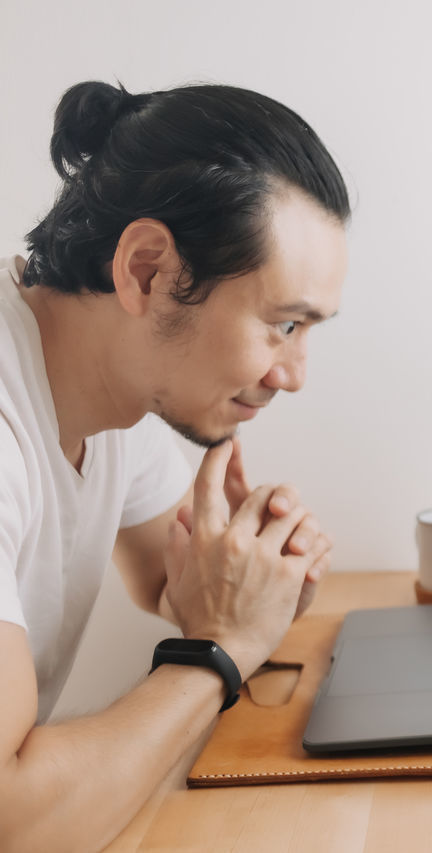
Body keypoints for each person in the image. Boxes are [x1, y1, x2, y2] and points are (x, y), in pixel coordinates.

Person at [0, 80, 349, 850]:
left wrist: (261, 577)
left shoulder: (113, 383)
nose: (293, 372)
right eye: (282, 323)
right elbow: (10, 818)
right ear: (149, 270)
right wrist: (215, 651)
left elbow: (173, 576)